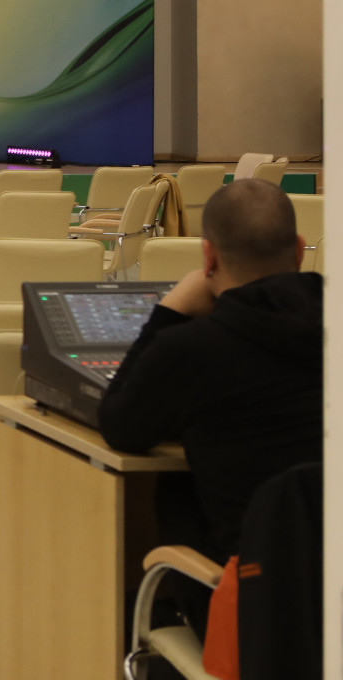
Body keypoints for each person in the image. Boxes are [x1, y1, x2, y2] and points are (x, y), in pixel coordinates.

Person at [99, 177, 322, 582]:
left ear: (208, 256)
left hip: (251, 593)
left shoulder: (191, 348)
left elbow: (120, 427)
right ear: (298, 250)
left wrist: (168, 312)